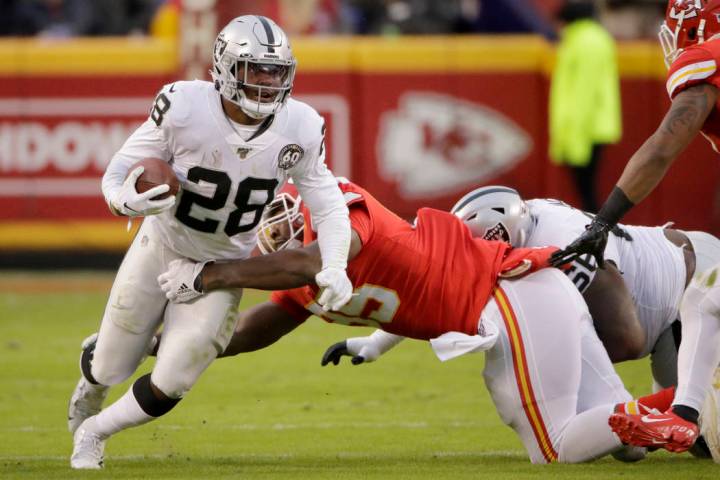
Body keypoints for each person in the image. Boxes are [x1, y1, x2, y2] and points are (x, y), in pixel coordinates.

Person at [157, 178, 678, 464]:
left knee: (557, 448)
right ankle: (687, 403)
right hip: (530, 294)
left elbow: (306, 263)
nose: (280, 236)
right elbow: (256, 325)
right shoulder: (307, 273)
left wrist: (209, 275)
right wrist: (170, 344)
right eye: (270, 233)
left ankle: (686, 400)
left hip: (514, 300)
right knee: (628, 445)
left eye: (288, 222)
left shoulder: (346, 219)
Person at [67, 15, 353, 470]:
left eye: (276, 71)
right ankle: (93, 385)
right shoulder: (184, 105)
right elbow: (118, 173)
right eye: (255, 69)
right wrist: (125, 202)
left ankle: (94, 433)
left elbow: (329, 205)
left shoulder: (300, 125)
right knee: (110, 364)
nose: (267, 81)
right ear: (224, 67)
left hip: (221, 264)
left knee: (177, 374)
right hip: (161, 244)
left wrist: (335, 264)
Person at [550, 0, 720, 458]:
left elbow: (663, 147)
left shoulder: (709, 57)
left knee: (708, 299)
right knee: (708, 300)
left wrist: (604, 220)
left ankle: (686, 415)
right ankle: (686, 417)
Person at [549, 0, 622, 212]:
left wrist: (574, 141)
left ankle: (595, 237)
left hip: (585, 130)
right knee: (587, 190)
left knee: (587, 191)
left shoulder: (583, 43)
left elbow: (583, 94)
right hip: (592, 126)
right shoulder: (591, 39)